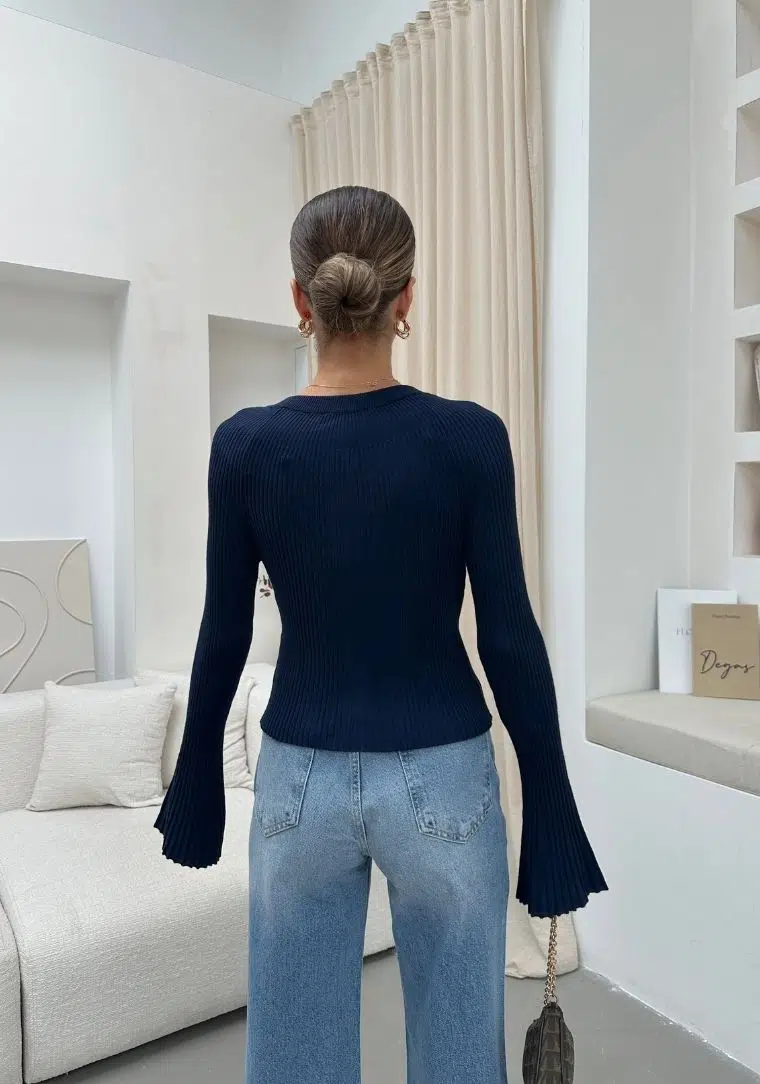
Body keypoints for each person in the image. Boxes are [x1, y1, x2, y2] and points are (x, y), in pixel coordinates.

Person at [154, 185, 607, 1084]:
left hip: (297, 781)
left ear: (300, 299)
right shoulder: (469, 440)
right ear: (407, 299)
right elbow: (509, 637)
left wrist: (197, 772)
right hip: (444, 775)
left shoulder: (245, 447)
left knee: (294, 1063)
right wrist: (552, 808)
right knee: (459, 1062)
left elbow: (224, 629)